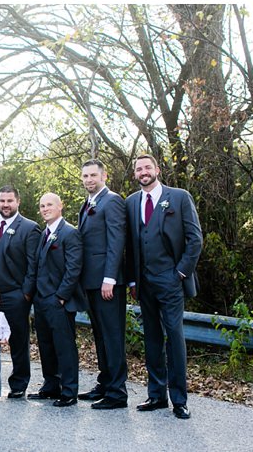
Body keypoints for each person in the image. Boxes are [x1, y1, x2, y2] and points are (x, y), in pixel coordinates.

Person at [124, 154, 203, 421]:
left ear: (157, 170)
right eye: (139, 169)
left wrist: (180, 272)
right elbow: (130, 245)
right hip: (143, 282)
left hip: (171, 280)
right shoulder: (131, 202)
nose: (143, 172)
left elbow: (195, 238)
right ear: (135, 174)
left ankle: (179, 399)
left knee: (174, 337)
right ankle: (156, 395)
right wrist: (132, 280)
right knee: (152, 338)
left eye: (147, 167)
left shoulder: (179, 197)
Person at [76, 159, 128, 408]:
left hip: (107, 283)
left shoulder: (112, 201)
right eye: (85, 176)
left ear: (104, 176)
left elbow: (116, 241)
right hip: (91, 281)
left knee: (112, 335)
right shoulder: (87, 204)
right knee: (100, 335)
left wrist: (110, 278)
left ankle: (117, 393)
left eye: (93, 175)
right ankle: (105, 382)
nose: (89, 180)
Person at [0, 185, 40, 398]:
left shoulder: (30, 228)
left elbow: (33, 264)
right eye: (2, 201)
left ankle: (19, 383)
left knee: (18, 340)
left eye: (9, 201)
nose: (5, 205)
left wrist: (26, 293)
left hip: (15, 294)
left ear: (18, 202)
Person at [29, 192, 85, 406]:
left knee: (64, 346)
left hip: (59, 300)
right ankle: (51, 385)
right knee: (46, 345)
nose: (45, 209)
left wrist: (61, 297)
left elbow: (74, 268)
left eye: (49, 204)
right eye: (42, 205)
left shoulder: (70, 233)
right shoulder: (44, 233)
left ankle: (69, 391)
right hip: (41, 299)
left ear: (60, 206)